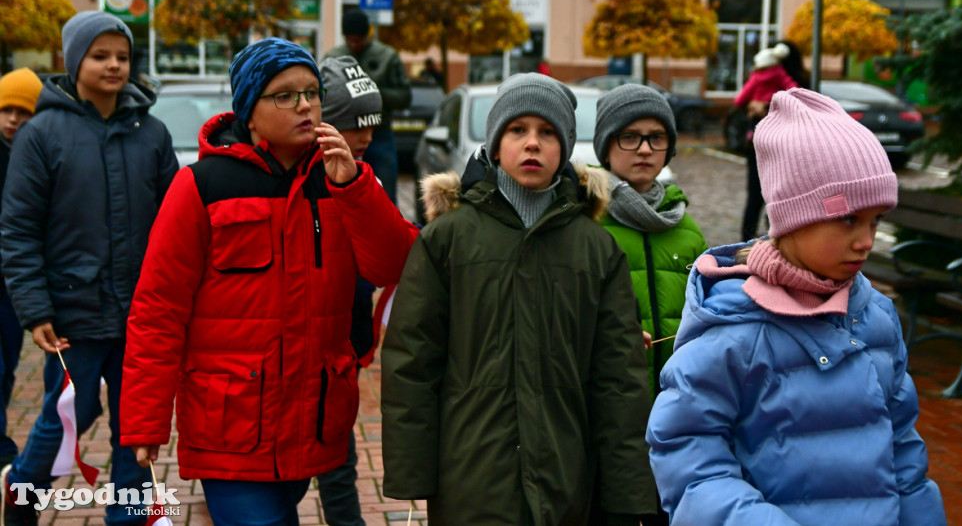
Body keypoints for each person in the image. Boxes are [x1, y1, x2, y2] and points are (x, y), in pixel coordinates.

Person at [118, 38, 418, 526]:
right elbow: (158, 308)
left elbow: (392, 265)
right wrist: (145, 419)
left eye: (312, 93)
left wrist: (354, 188)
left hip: (312, 420)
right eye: (284, 95)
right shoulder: (202, 186)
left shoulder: (343, 180)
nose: (304, 105)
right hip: (230, 426)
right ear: (249, 113)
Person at [646, 88, 946, 525]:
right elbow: (688, 455)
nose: (866, 240)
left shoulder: (876, 317)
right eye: (848, 219)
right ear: (794, 217)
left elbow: (903, 450)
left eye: (875, 221)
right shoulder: (734, 328)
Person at [380, 73, 657, 525]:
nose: (532, 143)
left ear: (565, 147)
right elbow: (412, 359)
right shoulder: (448, 239)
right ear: (495, 143)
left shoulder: (594, 249)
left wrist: (627, 488)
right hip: (470, 475)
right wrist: (415, 472)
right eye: (517, 130)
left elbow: (618, 379)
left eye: (547, 132)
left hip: (565, 477)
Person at [1, 12, 179, 526]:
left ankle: (128, 518)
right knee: (62, 425)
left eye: (122, 56)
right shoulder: (42, 134)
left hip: (139, 319)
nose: (114, 66)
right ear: (75, 60)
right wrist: (34, 309)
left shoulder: (152, 133)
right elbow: (18, 229)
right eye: (100, 56)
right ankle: (21, 495)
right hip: (71, 317)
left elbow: (174, 224)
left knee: (135, 431)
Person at [591, 84, 707, 525]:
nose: (644, 148)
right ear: (606, 144)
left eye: (657, 137)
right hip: (609, 410)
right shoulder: (587, 220)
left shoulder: (686, 227)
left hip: (675, 409)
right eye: (630, 136)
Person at [315, 55, 387, 526]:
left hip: (345, 349)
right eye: (353, 125)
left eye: (372, 125)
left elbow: (384, 258)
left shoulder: (366, 175)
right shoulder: (296, 184)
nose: (364, 137)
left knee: (339, 460)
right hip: (300, 348)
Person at [0, 68, 43, 472]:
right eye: (5, 110)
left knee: (8, 364)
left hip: (15, 285)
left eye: (23, 111)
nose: (13, 119)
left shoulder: (36, 156)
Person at [322, 9, 411, 204]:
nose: (354, 44)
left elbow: (405, 97)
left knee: (385, 194)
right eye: (349, 39)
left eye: (358, 40)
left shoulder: (387, 56)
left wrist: (372, 92)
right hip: (344, 134)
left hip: (380, 133)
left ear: (367, 35)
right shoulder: (332, 58)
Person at [735, 40, 808, 240]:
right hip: (782, 145)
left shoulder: (789, 80)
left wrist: (763, 106)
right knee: (771, 195)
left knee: (761, 195)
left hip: (766, 143)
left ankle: (749, 240)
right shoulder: (791, 80)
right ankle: (775, 239)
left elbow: (797, 104)